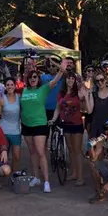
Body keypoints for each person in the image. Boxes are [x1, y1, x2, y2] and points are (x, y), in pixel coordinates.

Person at [20, 59, 68, 193]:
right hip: (26, 125)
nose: (33, 79)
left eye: (35, 77)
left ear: (39, 79)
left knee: (41, 152)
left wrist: (61, 69)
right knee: (32, 152)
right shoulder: (23, 91)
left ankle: (46, 181)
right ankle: (36, 177)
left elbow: (55, 80)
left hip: (40, 124)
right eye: (30, 77)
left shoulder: (43, 89)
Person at [50, 72, 92, 186]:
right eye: (68, 78)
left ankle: (80, 177)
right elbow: (58, 108)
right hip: (65, 124)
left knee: (77, 150)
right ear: (65, 80)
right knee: (71, 149)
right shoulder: (61, 93)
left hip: (77, 124)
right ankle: (74, 173)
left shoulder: (77, 93)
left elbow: (84, 109)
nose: (70, 80)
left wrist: (83, 98)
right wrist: (54, 119)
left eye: (72, 78)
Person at [0, 77, 22, 172]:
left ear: (15, 86)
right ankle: (0, 174)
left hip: (16, 130)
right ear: (5, 87)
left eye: (11, 85)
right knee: (2, 155)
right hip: (3, 130)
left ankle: (15, 177)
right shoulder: (2, 100)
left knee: (17, 156)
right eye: (8, 85)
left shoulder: (19, 97)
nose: (10, 87)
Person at [88, 72, 108, 139]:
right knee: (94, 148)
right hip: (96, 128)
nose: (100, 82)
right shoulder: (93, 95)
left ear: (105, 80)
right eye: (97, 81)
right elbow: (89, 111)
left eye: (102, 80)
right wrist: (88, 93)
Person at [40, 57, 65, 122]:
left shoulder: (61, 76)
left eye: (53, 66)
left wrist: (52, 61)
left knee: (57, 131)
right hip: (45, 108)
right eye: (49, 66)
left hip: (58, 108)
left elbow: (63, 69)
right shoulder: (42, 77)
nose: (51, 68)